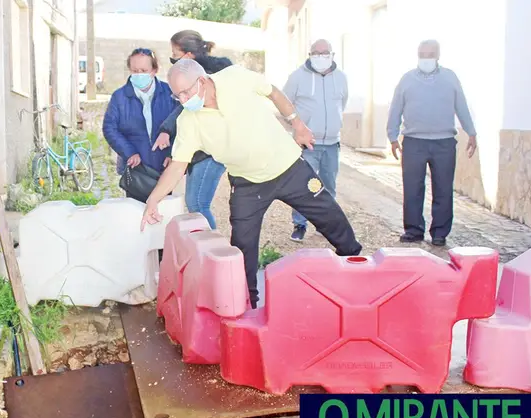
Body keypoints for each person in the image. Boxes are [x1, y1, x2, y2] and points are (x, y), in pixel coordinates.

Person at [141, 59, 363, 309]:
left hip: (288, 167)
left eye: (186, 92)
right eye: (176, 95)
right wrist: (153, 199)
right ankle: (247, 304)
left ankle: (357, 266)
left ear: (202, 81)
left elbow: (273, 92)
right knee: (242, 247)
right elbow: (178, 165)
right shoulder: (188, 121)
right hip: (247, 184)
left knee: (330, 216)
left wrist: (298, 125)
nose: (182, 100)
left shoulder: (236, 77)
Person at [387, 39, 477, 247]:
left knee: (443, 189)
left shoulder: (450, 78)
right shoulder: (407, 80)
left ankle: (439, 233)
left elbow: (461, 105)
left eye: (430, 54)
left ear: (438, 56)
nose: (426, 58)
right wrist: (392, 137)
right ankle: (413, 229)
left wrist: (471, 132)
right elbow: (395, 108)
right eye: (422, 54)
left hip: (443, 143)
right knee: (412, 188)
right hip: (414, 142)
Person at [150, 30, 232, 229]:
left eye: (175, 55)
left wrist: (166, 130)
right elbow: (183, 111)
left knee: (197, 203)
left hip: (210, 150)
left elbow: (182, 108)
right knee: (195, 202)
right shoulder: (188, 81)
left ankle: (211, 247)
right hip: (197, 148)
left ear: (188, 55)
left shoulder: (212, 76)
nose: (172, 59)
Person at [282, 39, 349, 242]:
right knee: (304, 185)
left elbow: (342, 104)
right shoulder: (297, 77)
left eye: (325, 52)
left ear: (332, 55)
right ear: (310, 54)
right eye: (316, 53)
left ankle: (326, 225)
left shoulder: (341, 78)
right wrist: (298, 127)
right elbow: (284, 103)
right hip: (307, 143)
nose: (321, 56)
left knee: (329, 186)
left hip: (332, 143)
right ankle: (299, 225)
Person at [102, 48, 178, 203]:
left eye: (144, 70)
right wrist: (129, 152)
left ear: (154, 70)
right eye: (135, 71)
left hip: (162, 166)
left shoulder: (170, 93)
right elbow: (110, 128)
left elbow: (180, 124)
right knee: (135, 212)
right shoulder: (120, 96)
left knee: (163, 210)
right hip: (136, 168)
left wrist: (173, 155)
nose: (139, 75)